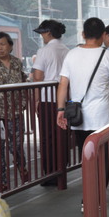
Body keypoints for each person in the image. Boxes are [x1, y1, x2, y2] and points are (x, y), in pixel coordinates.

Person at [56, 17, 109, 212]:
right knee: (106, 158)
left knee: (87, 158)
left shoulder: (72, 55)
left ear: (83, 34)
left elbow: (63, 85)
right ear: (102, 36)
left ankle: (87, 199)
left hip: (78, 117)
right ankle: (95, 197)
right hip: (101, 117)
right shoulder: (106, 55)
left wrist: (60, 110)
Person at [0, 32, 28, 191]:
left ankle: (22, 167)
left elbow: (23, 81)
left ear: (10, 46)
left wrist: (24, 103)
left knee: (16, 144)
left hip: (15, 111)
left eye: (2, 44)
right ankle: (1, 181)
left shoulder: (17, 63)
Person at [33, 20, 69, 186]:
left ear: (48, 32)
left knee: (47, 137)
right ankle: (63, 168)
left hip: (48, 99)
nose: (41, 36)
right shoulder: (67, 50)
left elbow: (38, 77)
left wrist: (36, 99)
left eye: (42, 33)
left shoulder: (44, 51)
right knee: (61, 135)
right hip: (65, 99)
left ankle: (50, 174)